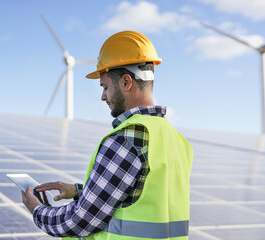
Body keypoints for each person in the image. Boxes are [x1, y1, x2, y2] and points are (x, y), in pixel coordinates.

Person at [22, 31, 193, 240]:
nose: (103, 96)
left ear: (126, 82)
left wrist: (36, 210)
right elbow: (144, 195)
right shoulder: (177, 140)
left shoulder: (127, 138)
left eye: (105, 87)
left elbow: (78, 221)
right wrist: (79, 190)